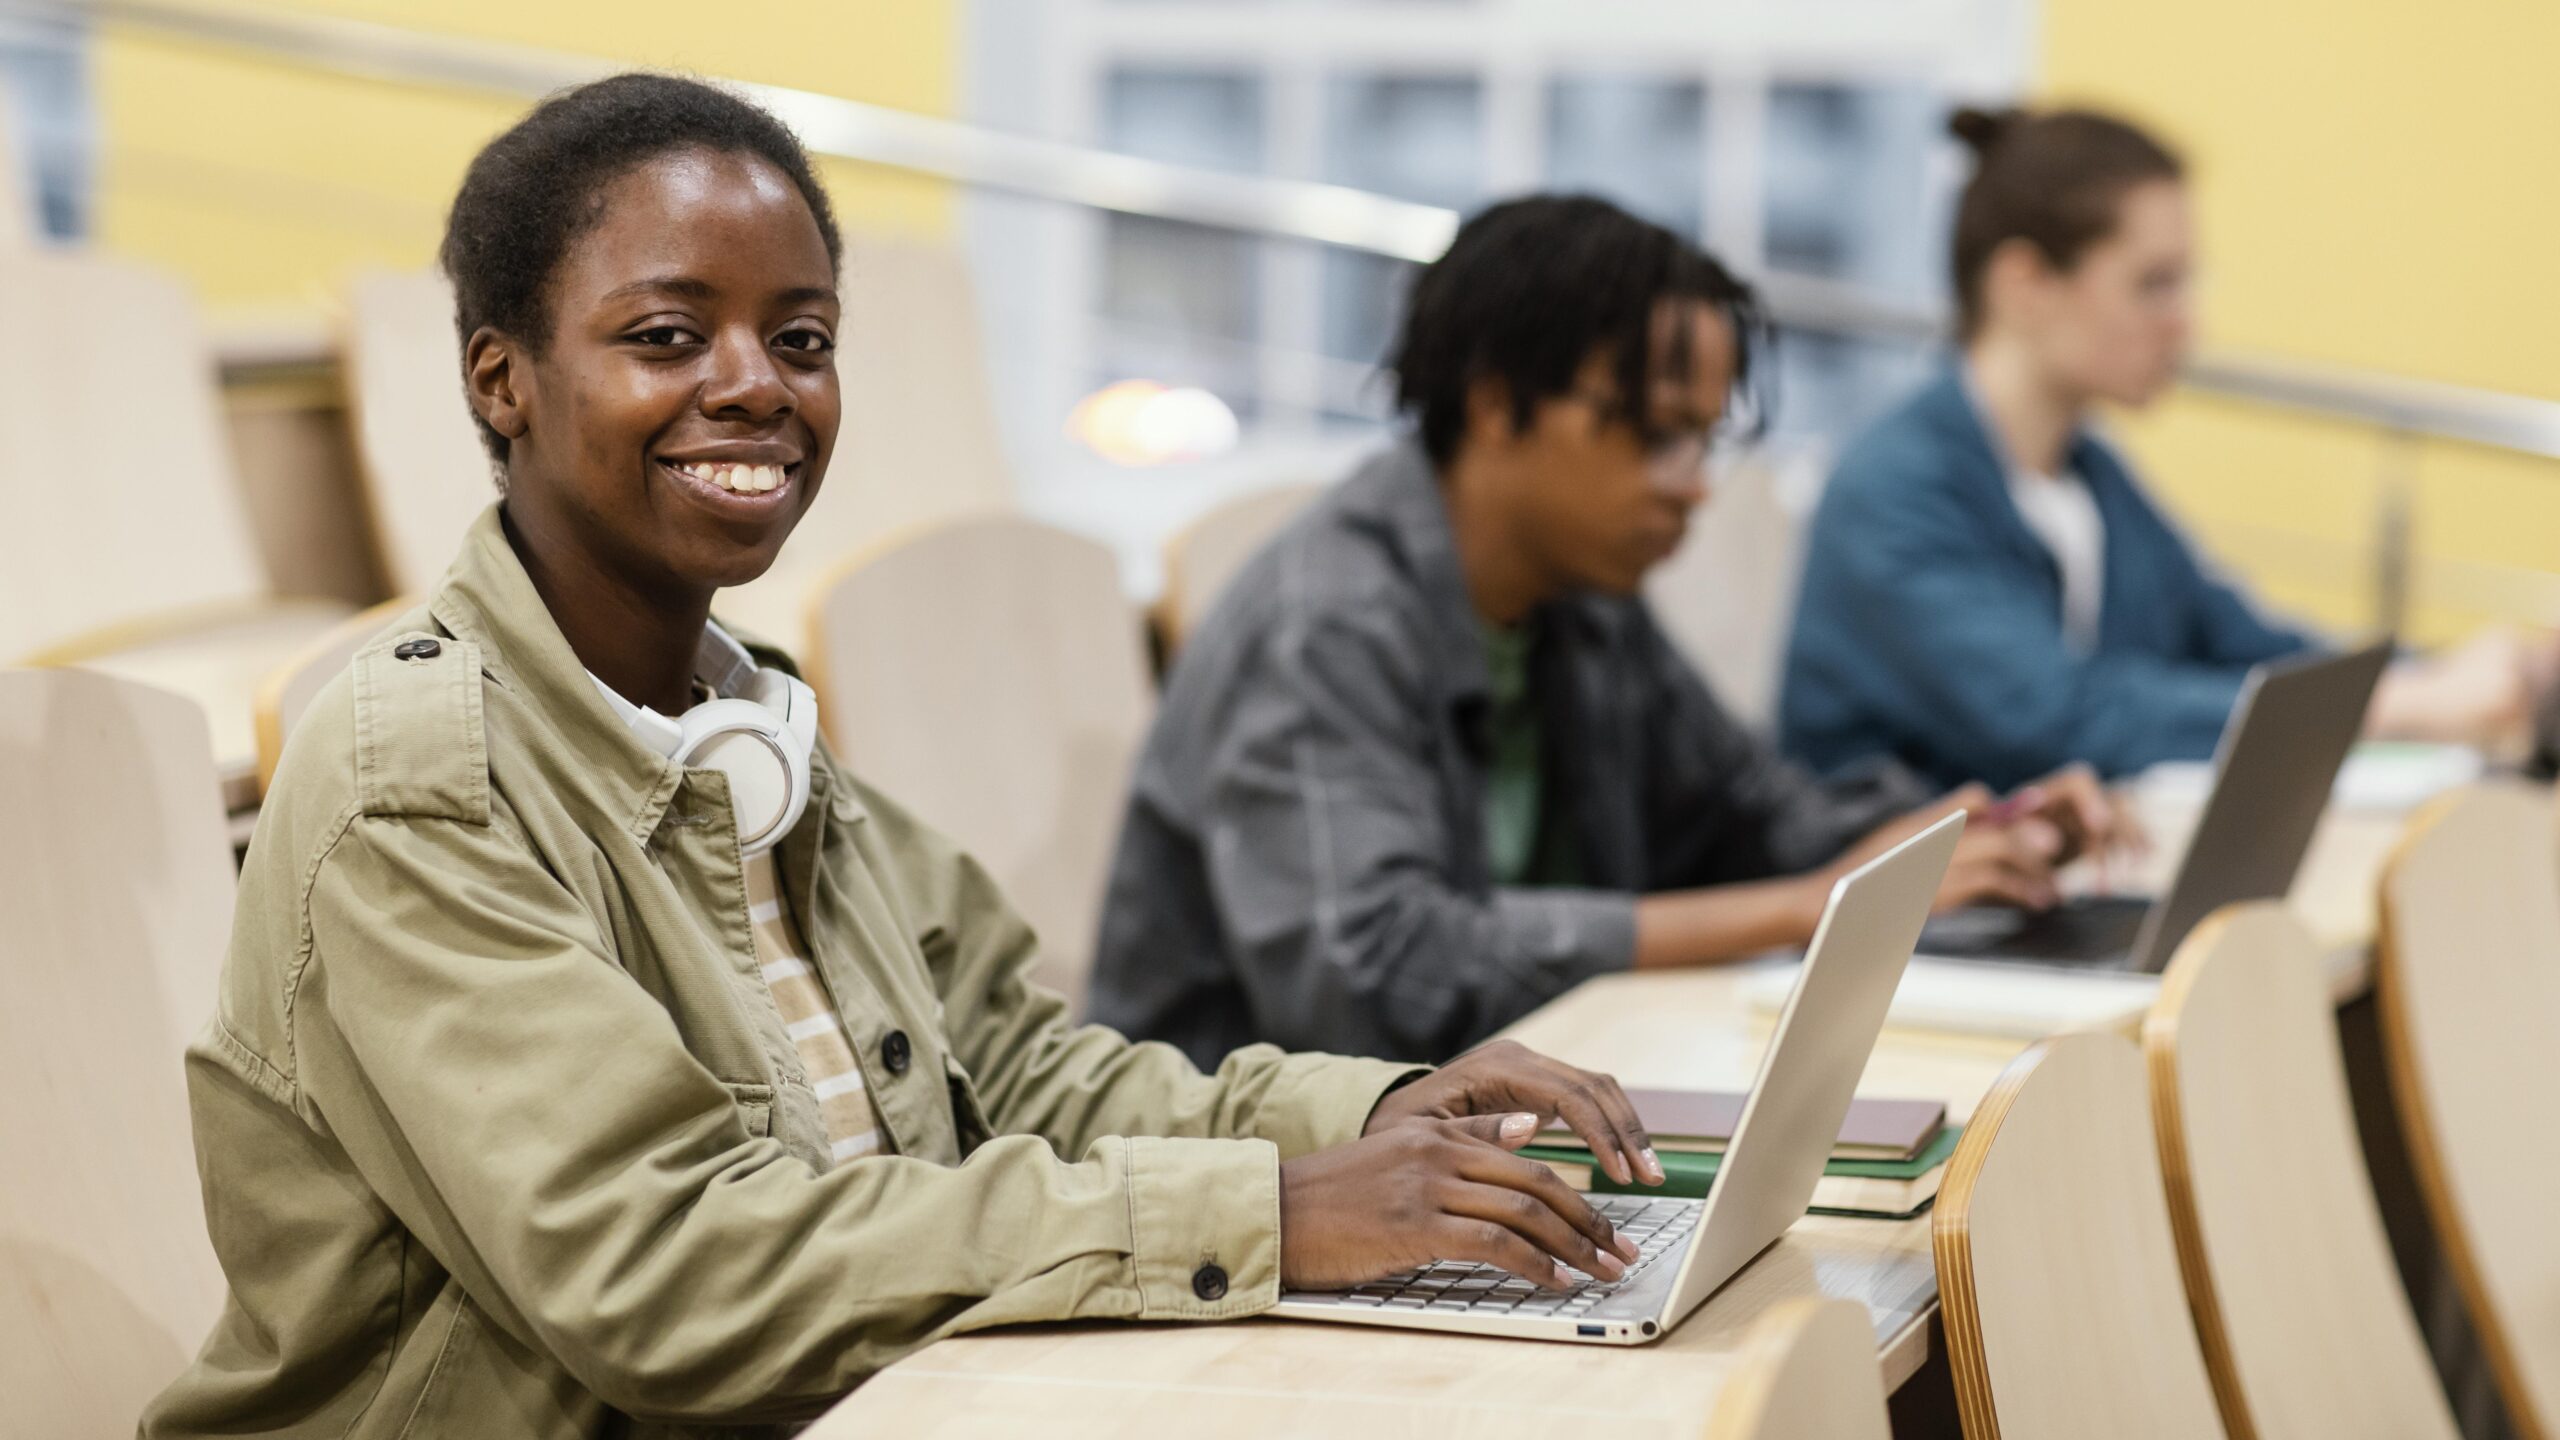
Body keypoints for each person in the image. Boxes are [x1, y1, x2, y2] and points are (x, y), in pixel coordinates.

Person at [143, 77, 1670, 1440]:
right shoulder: (423, 781)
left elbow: (1023, 1077)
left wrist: (1372, 1119)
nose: (757, 384)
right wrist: (1271, 1210)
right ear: (501, 379)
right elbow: (667, 1273)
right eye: (668, 335)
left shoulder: (754, 732)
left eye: (800, 340)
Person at [1087, 194, 2124, 1072]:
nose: (1694, 484)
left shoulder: (1579, 597)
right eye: (1656, 435)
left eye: (1705, 438)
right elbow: (1375, 982)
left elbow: (1747, 818)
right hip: (1262, 1193)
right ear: (1498, 406)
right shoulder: (1325, 624)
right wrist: (1801, 909)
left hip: (1506, 1118)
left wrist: (1970, 838)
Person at [1781, 106, 2560, 793]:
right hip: (1918, 930)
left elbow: (2242, 644)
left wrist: (2468, 674)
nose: (2185, 324)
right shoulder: (1893, 490)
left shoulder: (2088, 476)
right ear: (2025, 284)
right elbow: (2061, 718)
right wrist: (2412, 703)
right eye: (2153, 284)